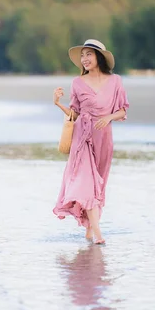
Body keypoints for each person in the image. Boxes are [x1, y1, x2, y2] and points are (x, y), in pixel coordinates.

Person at [52, 39, 129, 245]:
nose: (84, 59)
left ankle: (88, 227)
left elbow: (122, 110)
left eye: (89, 54)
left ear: (99, 57)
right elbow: (75, 114)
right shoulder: (77, 83)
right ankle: (98, 234)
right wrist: (58, 103)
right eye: (82, 55)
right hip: (82, 138)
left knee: (98, 187)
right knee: (86, 184)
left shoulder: (116, 81)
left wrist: (108, 118)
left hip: (104, 138)